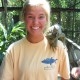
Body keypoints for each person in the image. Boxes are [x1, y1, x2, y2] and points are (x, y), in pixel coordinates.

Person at [0, 0, 70, 80]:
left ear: (47, 19)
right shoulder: (13, 50)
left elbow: (65, 77)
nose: (35, 22)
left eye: (41, 17)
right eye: (30, 17)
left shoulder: (58, 46)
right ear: (24, 18)